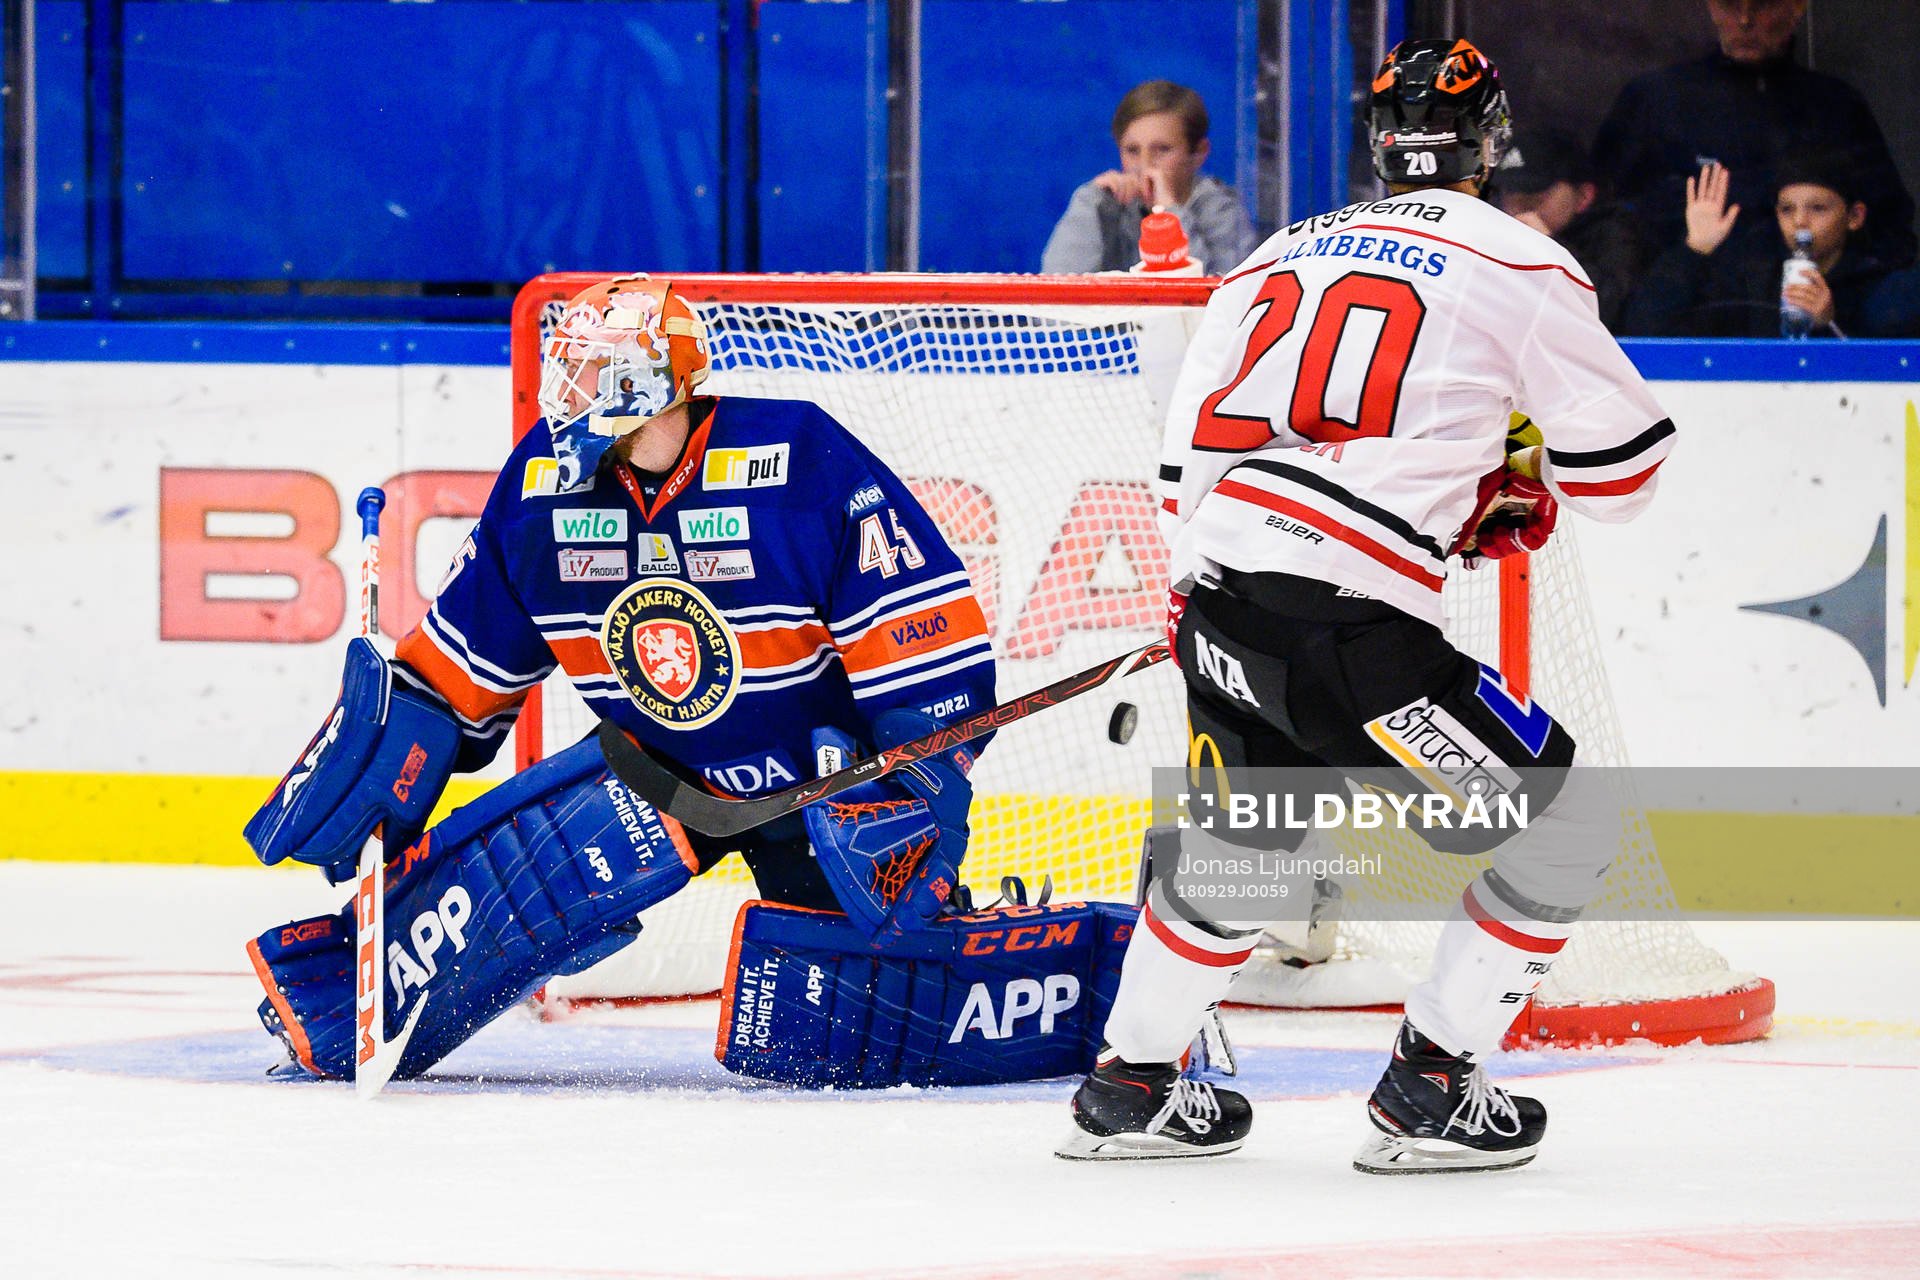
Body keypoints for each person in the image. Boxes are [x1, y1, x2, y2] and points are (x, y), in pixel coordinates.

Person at [1057, 38, 1675, 1172]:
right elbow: (1623, 478)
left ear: (1380, 147)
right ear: (1492, 142)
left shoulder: (1278, 251)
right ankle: (1433, 1086)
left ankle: (1130, 1085)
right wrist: (1509, 464)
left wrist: (1222, 590)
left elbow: (1181, 467)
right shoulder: (1520, 259)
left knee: (1245, 855)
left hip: (1225, 594)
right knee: (1566, 824)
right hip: (1346, 619)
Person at [240, 275, 999, 1082]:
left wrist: (919, 791)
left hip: (819, 789)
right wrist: (391, 751)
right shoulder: (541, 487)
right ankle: (344, 998)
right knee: (499, 895)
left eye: (595, 375)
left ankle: (994, 954)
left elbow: (924, 649)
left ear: (657, 382)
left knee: (856, 1025)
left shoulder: (800, 457)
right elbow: (461, 670)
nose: (571, 396)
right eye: (570, 372)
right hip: (653, 778)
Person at [1593, 0, 1915, 271]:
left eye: (1762, 4)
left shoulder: (1836, 106)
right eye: (1731, 4)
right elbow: (1606, 217)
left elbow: (1890, 230)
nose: (1745, 20)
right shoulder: (1657, 100)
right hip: (1685, 313)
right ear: (1710, 5)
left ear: (1797, 7)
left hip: (1807, 312)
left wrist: (1841, 297)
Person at [1624, 156, 1898, 337]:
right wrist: (1694, 250)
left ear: (1854, 216)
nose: (1800, 221)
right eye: (1787, 210)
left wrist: (1829, 324)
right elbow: (1646, 326)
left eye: (1818, 208)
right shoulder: (1752, 279)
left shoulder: (1882, 286)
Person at [1041, 80, 1257, 275]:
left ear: (1199, 152)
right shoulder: (1102, 200)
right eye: (1132, 150)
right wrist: (1091, 204)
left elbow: (1226, 302)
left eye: (1162, 149)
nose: (1144, 165)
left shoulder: (1222, 210)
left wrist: (1169, 211)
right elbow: (1053, 295)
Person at [1491, 124, 1645, 331]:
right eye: (1511, 195)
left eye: (1535, 198)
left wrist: (1548, 248)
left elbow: (1612, 313)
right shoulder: (1487, 230)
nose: (1521, 210)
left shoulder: (1614, 231)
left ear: (1584, 196)